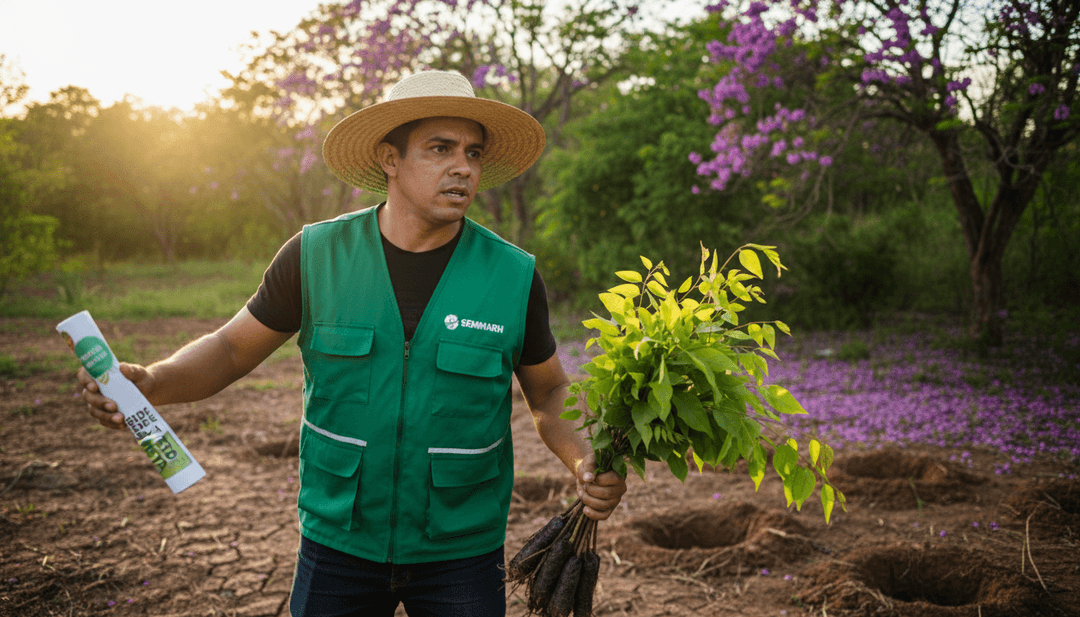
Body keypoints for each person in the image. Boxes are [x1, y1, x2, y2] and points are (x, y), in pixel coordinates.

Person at [76, 70, 626, 617]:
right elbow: (230, 349)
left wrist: (582, 460)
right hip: (339, 543)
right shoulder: (315, 256)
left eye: (474, 153)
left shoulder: (511, 275)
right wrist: (154, 381)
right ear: (390, 158)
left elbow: (549, 392)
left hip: (462, 549)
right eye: (440, 148)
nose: (463, 166)